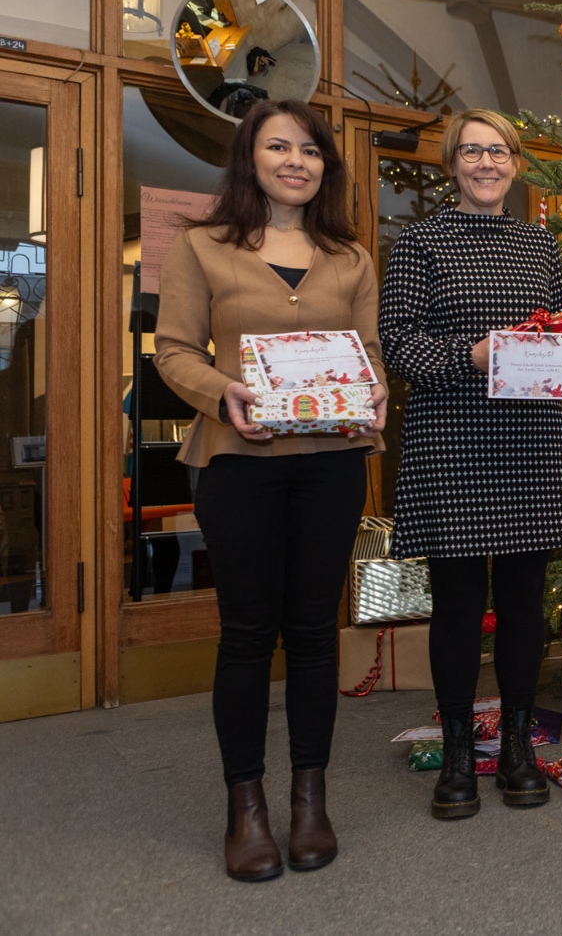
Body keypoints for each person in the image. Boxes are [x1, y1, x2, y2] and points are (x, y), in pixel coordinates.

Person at [154, 99, 387, 881]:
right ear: (249, 157)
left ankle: (309, 799)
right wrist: (226, 391)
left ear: (326, 164)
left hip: (332, 460)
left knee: (316, 631)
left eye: (310, 149)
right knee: (250, 633)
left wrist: (377, 391)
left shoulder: (350, 256)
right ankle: (245, 805)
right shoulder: (202, 246)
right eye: (278, 146)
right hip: (238, 462)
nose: (296, 160)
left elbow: (371, 353)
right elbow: (175, 352)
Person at [378, 108, 562, 818]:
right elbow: (398, 344)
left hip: (528, 435)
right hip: (451, 436)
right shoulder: (419, 244)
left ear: (516, 164)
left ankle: (518, 742)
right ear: (452, 164)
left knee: (525, 599)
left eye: (499, 152)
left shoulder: (539, 245)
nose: (486, 163)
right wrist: (473, 355)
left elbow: (554, 330)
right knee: (458, 606)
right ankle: (460, 749)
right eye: (473, 152)